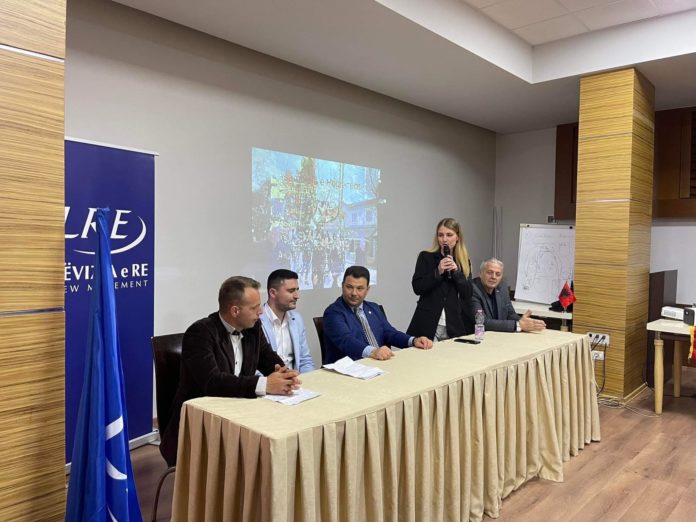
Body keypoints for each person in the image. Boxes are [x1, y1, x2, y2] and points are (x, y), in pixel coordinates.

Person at [160, 276, 301, 466]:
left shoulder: (253, 327)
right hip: (200, 424)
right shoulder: (200, 333)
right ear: (235, 311)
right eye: (254, 308)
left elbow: (266, 356)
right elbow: (212, 382)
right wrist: (265, 384)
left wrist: (284, 373)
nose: (260, 312)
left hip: (239, 414)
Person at [322, 266, 433, 363]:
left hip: (378, 365)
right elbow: (346, 341)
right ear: (342, 286)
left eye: (360, 288)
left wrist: (413, 341)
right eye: (349, 287)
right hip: (350, 370)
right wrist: (373, 352)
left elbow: (390, 333)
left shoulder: (373, 308)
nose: (354, 293)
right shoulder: (333, 312)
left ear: (367, 290)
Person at [407, 217, 474, 340]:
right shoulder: (426, 257)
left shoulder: (463, 261)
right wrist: (438, 272)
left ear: (457, 237)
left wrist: (456, 273)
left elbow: (467, 294)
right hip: (427, 322)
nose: (444, 239)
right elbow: (417, 287)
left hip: (453, 324)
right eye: (440, 235)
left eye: (449, 235)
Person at [259, 269, 315, 373]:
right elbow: (253, 368)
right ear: (273, 293)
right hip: (270, 380)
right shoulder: (256, 321)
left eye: (297, 290)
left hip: (296, 379)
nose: (297, 296)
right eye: (291, 291)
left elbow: (305, 360)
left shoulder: (297, 319)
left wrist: (309, 380)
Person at [471, 258, 546, 333]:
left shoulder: (502, 287)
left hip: (497, 336)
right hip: (475, 337)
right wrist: (518, 325)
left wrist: (525, 322)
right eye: (489, 272)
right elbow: (482, 322)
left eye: (498, 274)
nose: (493, 277)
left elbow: (510, 314)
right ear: (480, 273)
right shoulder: (471, 290)